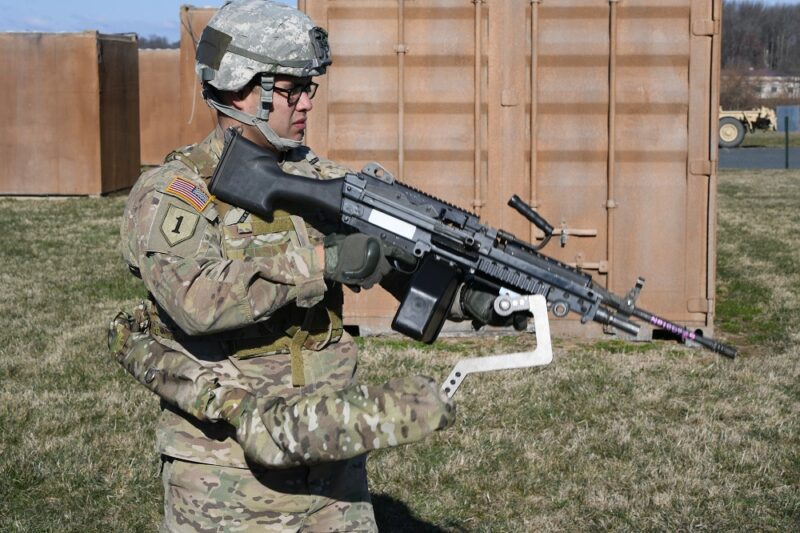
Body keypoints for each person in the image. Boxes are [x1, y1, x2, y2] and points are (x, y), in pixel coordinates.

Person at [108, 1, 520, 530]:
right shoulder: (176, 192)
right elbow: (195, 301)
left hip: (331, 456)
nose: (305, 103)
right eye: (290, 89)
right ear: (240, 87)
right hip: (228, 474)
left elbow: (401, 268)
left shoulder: (323, 181)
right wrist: (322, 261)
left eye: (310, 89)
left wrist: (478, 295)